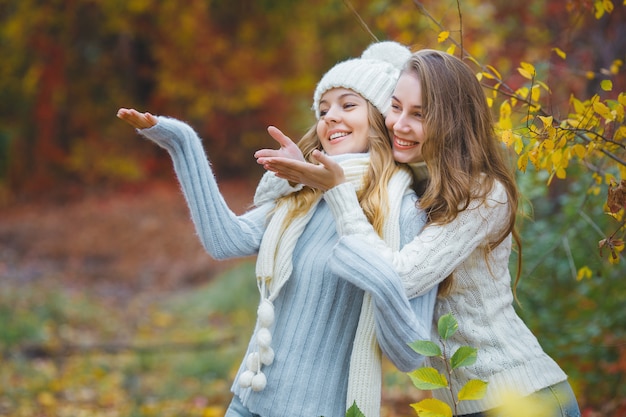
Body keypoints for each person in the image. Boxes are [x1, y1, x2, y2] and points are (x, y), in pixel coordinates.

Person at [117, 42, 438, 417]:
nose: (329, 117)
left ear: (383, 120)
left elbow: (413, 353)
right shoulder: (302, 198)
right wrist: (181, 142)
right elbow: (226, 240)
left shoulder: (403, 214)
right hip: (248, 399)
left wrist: (378, 274)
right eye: (323, 109)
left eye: (348, 105)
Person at [254, 49, 581, 417]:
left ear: (453, 122)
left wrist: (337, 190)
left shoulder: (485, 194)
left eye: (419, 115)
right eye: (395, 107)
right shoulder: (418, 187)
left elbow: (400, 277)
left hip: (522, 396)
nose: (398, 124)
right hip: (463, 404)